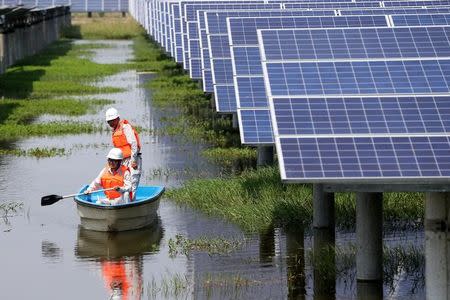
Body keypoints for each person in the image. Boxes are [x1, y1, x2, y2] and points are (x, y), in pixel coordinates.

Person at [105, 107, 142, 200]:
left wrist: (133, 161)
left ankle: (131, 204)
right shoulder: (115, 131)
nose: (110, 123)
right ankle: (123, 202)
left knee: (133, 183)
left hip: (133, 159)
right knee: (123, 182)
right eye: (108, 121)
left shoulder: (126, 127)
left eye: (112, 121)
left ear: (117, 118)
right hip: (122, 160)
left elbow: (133, 144)